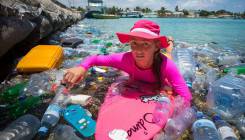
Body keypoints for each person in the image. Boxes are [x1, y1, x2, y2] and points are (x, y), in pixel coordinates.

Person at [62, 19, 192, 103]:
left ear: (156, 46)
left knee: (169, 55)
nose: (138, 50)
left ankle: (169, 43)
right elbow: (94, 58)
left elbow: (186, 97)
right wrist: (81, 67)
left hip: (162, 59)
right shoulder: (124, 59)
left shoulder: (167, 66)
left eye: (146, 44)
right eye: (134, 43)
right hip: (156, 56)